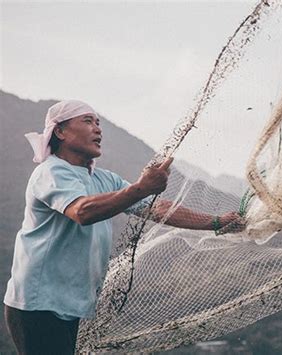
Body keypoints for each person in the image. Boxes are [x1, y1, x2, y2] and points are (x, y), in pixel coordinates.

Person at [3, 100, 242, 355]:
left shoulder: (104, 179)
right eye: (87, 121)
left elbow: (157, 207)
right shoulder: (50, 172)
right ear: (59, 132)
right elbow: (82, 211)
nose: (98, 129)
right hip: (37, 305)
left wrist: (215, 222)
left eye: (98, 122)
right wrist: (140, 188)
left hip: (69, 307)